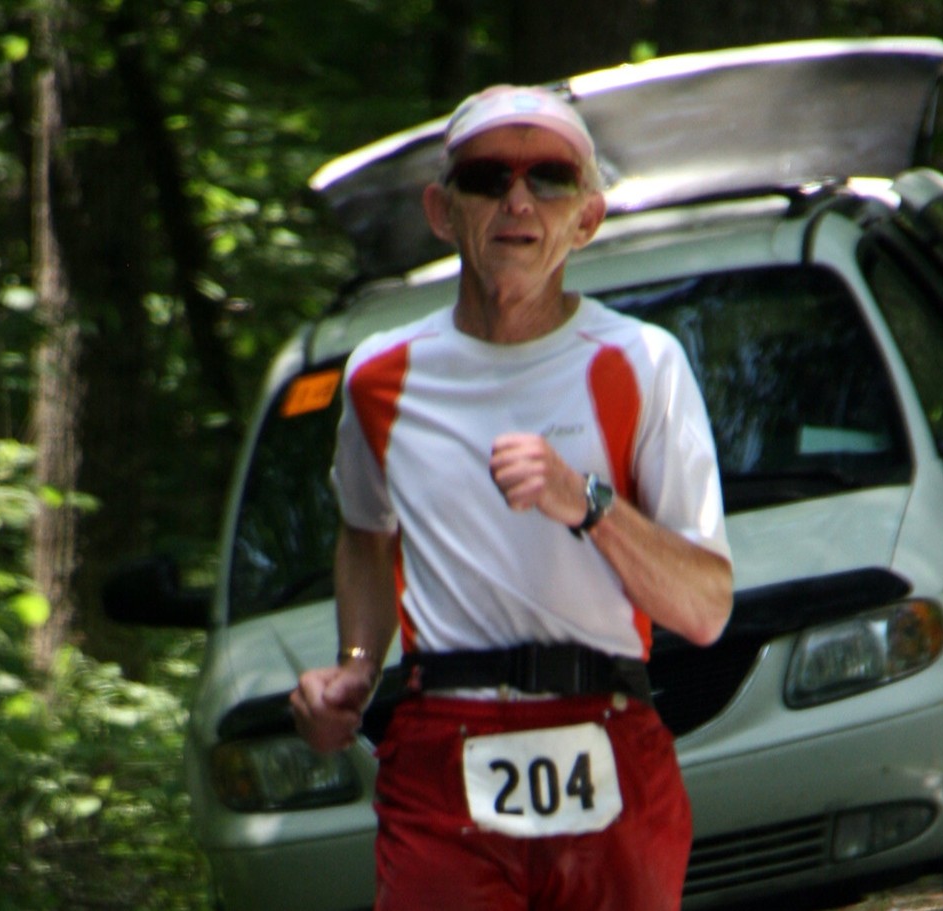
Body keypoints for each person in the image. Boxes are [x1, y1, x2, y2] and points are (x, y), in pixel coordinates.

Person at [291, 84, 733, 911]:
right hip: (440, 742)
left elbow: (705, 608)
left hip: (605, 727)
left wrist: (589, 502)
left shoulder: (642, 362)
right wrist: (353, 665)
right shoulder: (380, 374)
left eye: (550, 179)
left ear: (586, 218)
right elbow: (363, 532)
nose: (518, 201)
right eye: (488, 177)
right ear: (442, 210)